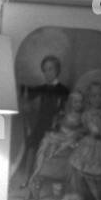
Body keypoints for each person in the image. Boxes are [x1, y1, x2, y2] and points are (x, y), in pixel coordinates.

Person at [14, 55, 68, 189]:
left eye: (50, 69)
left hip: (56, 125)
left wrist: (60, 119)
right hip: (41, 123)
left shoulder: (64, 90)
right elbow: (25, 92)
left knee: (47, 150)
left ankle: (41, 180)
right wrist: (25, 100)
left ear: (57, 70)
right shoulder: (42, 88)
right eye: (45, 70)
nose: (47, 73)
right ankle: (27, 178)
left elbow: (66, 109)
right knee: (32, 146)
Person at [25, 91, 85, 200]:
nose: (78, 104)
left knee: (56, 147)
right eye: (76, 102)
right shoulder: (63, 114)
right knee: (45, 145)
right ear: (71, 103)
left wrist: (72, 136)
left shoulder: (82, 117)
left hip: (70, 140)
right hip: (60, 138)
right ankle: (35, 181)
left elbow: (82, 131)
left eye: (81, 102)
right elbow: (57, 127)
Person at [65, 81, 101, 200]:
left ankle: (99, 197)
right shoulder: (87, 114)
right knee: (86, 173)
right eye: (94, 96)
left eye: (100, 95)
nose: (97, 99)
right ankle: (97, 198)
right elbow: (95, 132)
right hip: (90, 144)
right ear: (89, 98)